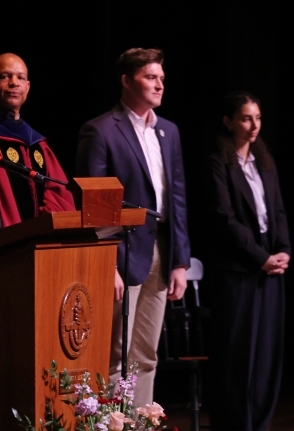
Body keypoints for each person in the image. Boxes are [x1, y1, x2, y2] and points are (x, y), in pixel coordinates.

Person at [75, 48, 190, 407]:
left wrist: (180, 262)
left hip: (161, 250)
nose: (159, 85)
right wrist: (106, 262)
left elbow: (178, 199)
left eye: (161, 79)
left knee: (146, 353)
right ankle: (113, 423)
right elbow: (92, 205)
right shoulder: (101, 130)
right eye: (150, 78)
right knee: (117, 354)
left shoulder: (168, 132)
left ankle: (138, 422)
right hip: (122, 253)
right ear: (126, 81)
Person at [206, 91, 289, 431]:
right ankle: (235, 422)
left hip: (270, 271)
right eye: (245, 118)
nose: (253, 125)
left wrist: (283, 251)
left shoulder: (264, 161)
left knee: (267, 351)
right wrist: (261, 257)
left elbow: (279, 210)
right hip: (239, 271)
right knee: (238, 354)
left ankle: (260, 420)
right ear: (228, 122)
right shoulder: (217, 162)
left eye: (257, 118)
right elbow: (225, 218)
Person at [0, 53, 75, 227]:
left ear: (28, 86)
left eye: (21, 78)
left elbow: (59, 194)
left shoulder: (37, 143)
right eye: (4, 76)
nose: (14, 82)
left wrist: (43, 225)